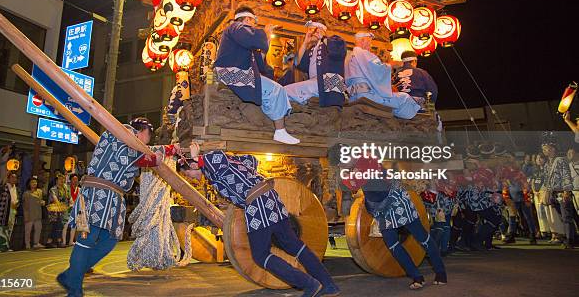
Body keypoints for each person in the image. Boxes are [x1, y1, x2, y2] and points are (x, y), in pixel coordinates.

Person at [179, 146, 340, 297]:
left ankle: (310, 284)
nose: (191, 178)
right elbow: (251, 161)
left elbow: (218, 158)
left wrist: (197, 158)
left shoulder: (212, 160)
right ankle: (328, 285)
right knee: (293, 245)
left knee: (261, 255)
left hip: (258, 205)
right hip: (270, 198)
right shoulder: (215, 171)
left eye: (188, 175)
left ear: (192, 166)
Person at [57, 118, 175, 297]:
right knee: (87, 239)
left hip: (113, 196)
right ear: (143, 132)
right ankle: (74, 288)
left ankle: (70, 275)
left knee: (109, 240)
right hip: (97, 192)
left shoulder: (129, 141)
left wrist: (169, 150)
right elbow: (138, 156)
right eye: (148, 138)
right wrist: (155, 159)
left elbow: (146, 153)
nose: (147, 143)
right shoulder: (119, 134)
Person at [213, 6, 299, 145]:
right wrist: (264, 33)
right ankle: (280, 130)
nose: (254, 26)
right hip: (231, 73)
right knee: (276, 89)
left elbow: (260, 64)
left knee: (277, 88)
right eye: (253, 22)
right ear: (247, 19)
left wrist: (267, 40)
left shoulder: (242, 38)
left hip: (238, 73)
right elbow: (253, 39)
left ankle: (278, 126)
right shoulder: (235, 27)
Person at [362, 161, 447, 289]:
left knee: (423, 239)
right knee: (393, 245)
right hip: (383, 210)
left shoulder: (374, 168)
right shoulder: (356, 174)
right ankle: (417, 277)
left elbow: (387, 188)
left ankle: (441, 273)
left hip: (399, 204)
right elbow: (370, 196)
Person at [345, 32, 420, 119]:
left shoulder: (348, 57)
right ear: (362, 40)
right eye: (369, 42)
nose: (371, 45)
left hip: (353, 95)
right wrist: (391, 65)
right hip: (367, 94)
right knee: (404, 97)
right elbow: (379, 68)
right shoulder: (363, 53)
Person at [284, 20, 346, 108]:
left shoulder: (332, 41)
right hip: (316, 82)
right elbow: (297, 62)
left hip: (330, 80)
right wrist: (305, 42)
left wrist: (323, 37)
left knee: (286, 91)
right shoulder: (312, 49)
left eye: (311, 30)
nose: (310, 33)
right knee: (286, 91)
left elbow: (339, 50)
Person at [541, 133, 575, 248]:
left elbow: (566, 175)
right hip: (553, 193)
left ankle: (570, 240)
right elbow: (546, 179)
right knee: (562, 216)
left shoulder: (560, 160)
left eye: (548, 149)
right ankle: (572, 237)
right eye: (545, 149)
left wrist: (567, 191)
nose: (546, 151)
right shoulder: (546, 164)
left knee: (566, 217)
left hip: (562, 192)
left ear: (554, 149)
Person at [0, 171, 19, 253]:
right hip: (3, 210)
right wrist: (5, 176)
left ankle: (5, 246)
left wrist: (17, 203)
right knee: (0, 228)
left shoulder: (16, 188)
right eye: (12, 177)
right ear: (8, 178)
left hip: (12, 211)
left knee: (9, 228)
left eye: (15, 177)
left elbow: (17, 199)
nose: (14, 179)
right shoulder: (5, 186)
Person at [46, 173, 70, 248]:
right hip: (55, 210)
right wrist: (59, 205)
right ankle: (58, 241)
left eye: (63, 179)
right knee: (56, 225)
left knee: (59, 225)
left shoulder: (65, 189)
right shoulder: (53, 189)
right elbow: (54, 198)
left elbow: (67, 198)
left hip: (62, 209)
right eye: (60, 179)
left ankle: (50, 241)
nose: (62, 181)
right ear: (56, 180)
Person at [531, 154, 551, 239]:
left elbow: (548, 182)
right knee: (540, 213)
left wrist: (543, 191)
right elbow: (532, 181)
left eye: (541, 158)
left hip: (544, 193)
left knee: (547, 212)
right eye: (537, 158)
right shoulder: (535, 171)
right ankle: (543, 230)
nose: (539, 160)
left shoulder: (547, 170)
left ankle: (550, 230)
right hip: (536, 194)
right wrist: (534, 191)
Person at [23, 177, 45, 249]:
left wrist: (42, 202)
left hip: (38, 213)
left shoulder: (40, 191)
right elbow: (25, 206)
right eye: (32, 182)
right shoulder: (26, 193)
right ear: (29, 184)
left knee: (38, 229)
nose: (34, 183)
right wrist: (26, 216)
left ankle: (36, 243)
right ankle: (27, 244)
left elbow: (41, 201)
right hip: (30, 214)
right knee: (28, 230)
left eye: (35, 182)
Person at [66, 173, 80, 246]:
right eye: (73, 179)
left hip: (77, 209)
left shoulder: (80, 189)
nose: (75, 181)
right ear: (70, 180)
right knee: (66, 225)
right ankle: (64, 241)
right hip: (68, 209)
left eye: (76, 179)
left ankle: (72, 241)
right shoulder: (67, 188)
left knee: (75, 225)